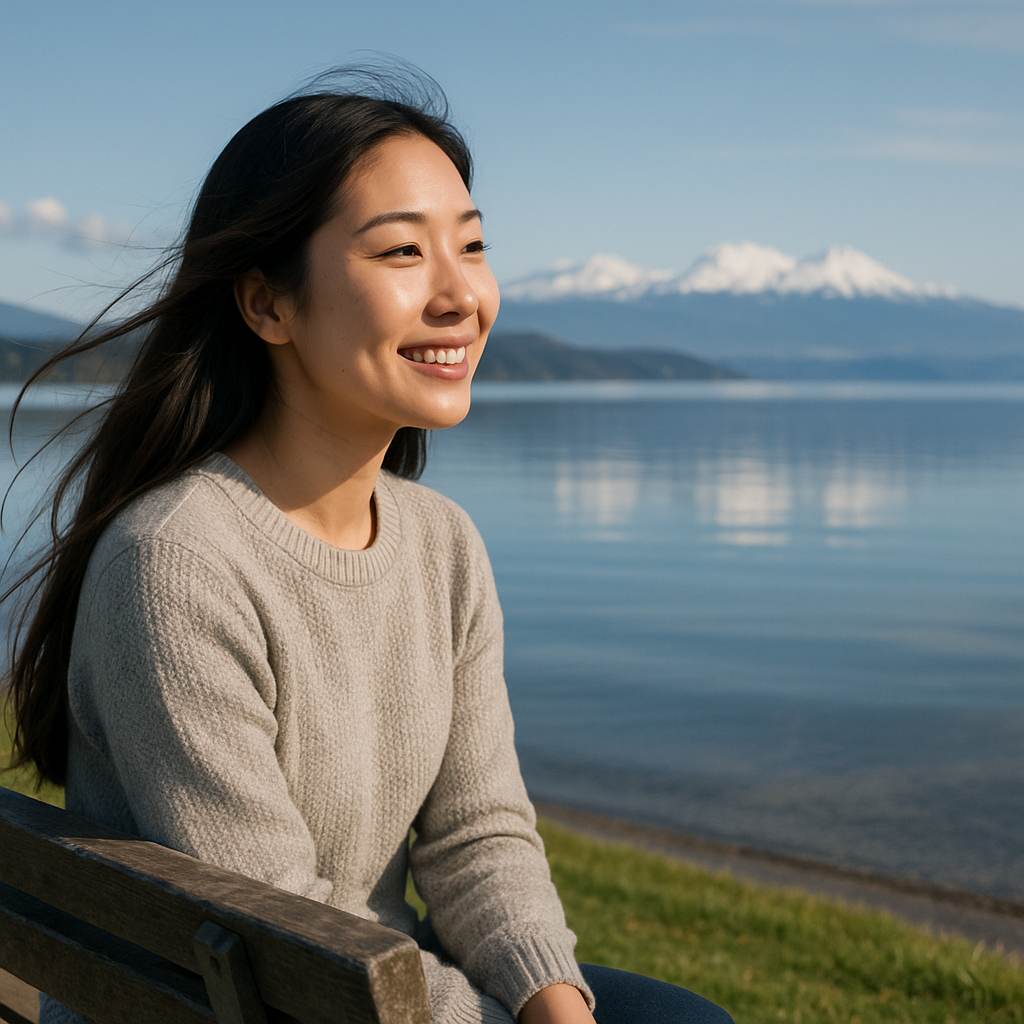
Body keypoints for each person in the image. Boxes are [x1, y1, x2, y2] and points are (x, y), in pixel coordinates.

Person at [5, 68, 734, 1024]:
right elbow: (284, 926)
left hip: (357, 986)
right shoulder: (176, 564)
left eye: (472, 247)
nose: (461, 295)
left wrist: (557, 1010)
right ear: (267, 305)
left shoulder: (441, 545)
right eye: (401, 252)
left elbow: (480, 836)